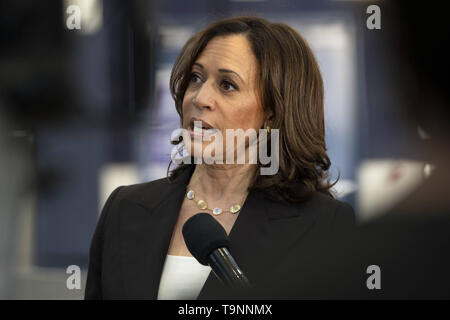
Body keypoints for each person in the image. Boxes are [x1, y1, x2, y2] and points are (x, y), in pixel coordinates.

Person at [84, 16, 355, 300]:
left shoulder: (323, 227)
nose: (200, 98)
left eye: (227, 85)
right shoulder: (124, 209)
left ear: (273, 112)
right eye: (196, 78)